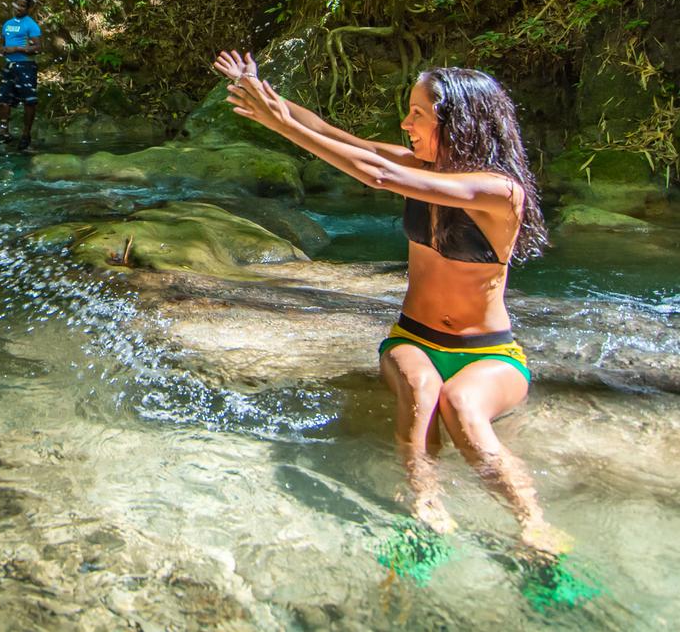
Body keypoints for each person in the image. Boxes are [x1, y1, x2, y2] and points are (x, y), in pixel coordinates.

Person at [215, 51, 568, 556]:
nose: (406, 124)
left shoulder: (498, 191)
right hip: (414, 338)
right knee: (421, 389)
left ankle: (532, 525)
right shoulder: (417, 164)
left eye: (418, 113)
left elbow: (376, 175)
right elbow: (340, 139)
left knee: (463, 407)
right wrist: (269, 99)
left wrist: (282, 126)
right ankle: (427, 507)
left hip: (490, 353)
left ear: (459, 123)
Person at [0, 0, 42, 151]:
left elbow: (37, 47)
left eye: (23, 6)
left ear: (28, 9)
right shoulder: (7, 24)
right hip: (9, 66)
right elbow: (2, 43)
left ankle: (26, 135)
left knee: (29, 101)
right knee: (3, 100)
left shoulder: (31, 25)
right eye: (17, 4)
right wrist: (2, 49)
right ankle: (4, 133)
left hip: (26, 66)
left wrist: (17, 49)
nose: (19, 8)